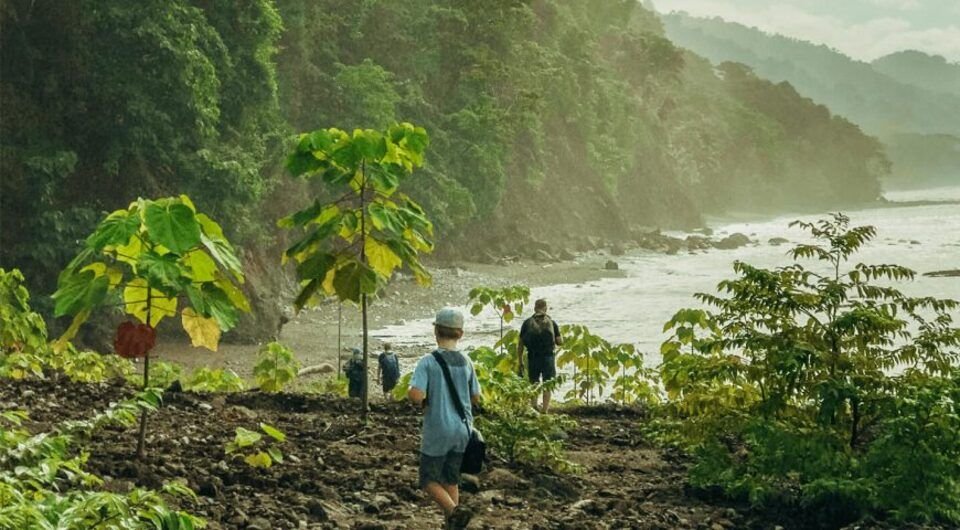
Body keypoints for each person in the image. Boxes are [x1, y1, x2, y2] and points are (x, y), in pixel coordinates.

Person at [408, 308, 480, 530]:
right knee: (451, 477)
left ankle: (454, 512)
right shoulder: (467, 362)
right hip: (462, 429)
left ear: (436, 332)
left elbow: (415, 394)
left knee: (428, 479)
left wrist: (424, 402)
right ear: (460, 334)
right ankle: (453, 525)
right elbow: (476, 397)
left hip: (438, 429)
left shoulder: (428, 361)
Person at [518, 298, 563, 413]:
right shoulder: (551, 323)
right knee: (548, 383)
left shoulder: (527, 323)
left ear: (534, 308)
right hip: (548, 357)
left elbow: (520, 344)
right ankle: (545, 409)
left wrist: (520, 361)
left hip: (532, 357)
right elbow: (559, 341)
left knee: (534, 382)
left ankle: (534, 407)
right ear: (545, 308)